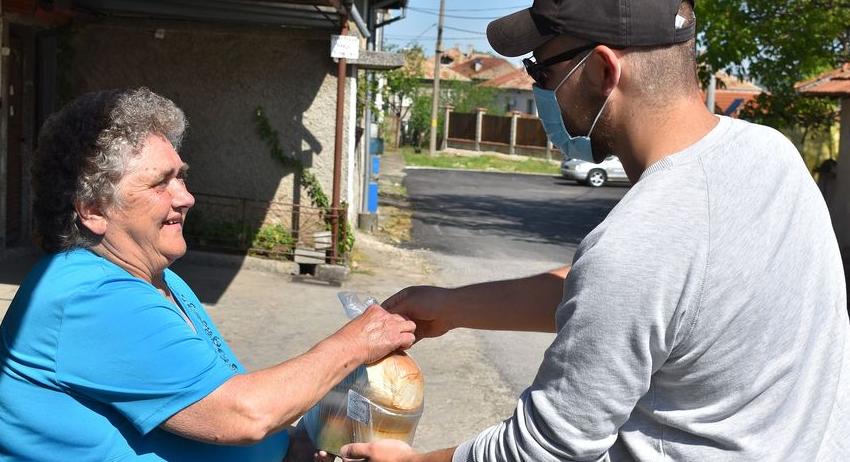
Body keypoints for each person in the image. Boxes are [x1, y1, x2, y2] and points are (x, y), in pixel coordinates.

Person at [336, 1, 850, 461]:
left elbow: (546, 447)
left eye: (542, 69)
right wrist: (451, 306)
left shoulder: (639, 243)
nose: (539, 89)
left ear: (604, 69)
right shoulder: (772, 155)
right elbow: (637, 300)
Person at [0, 88, 416, 461]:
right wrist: (355, 343)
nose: (186, 196)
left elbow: (214, 391)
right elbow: (242, 414)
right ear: (91, 209)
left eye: (181, 176)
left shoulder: (160, 280)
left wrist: (292, 446)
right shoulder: (87, 297)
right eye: (161, 183)